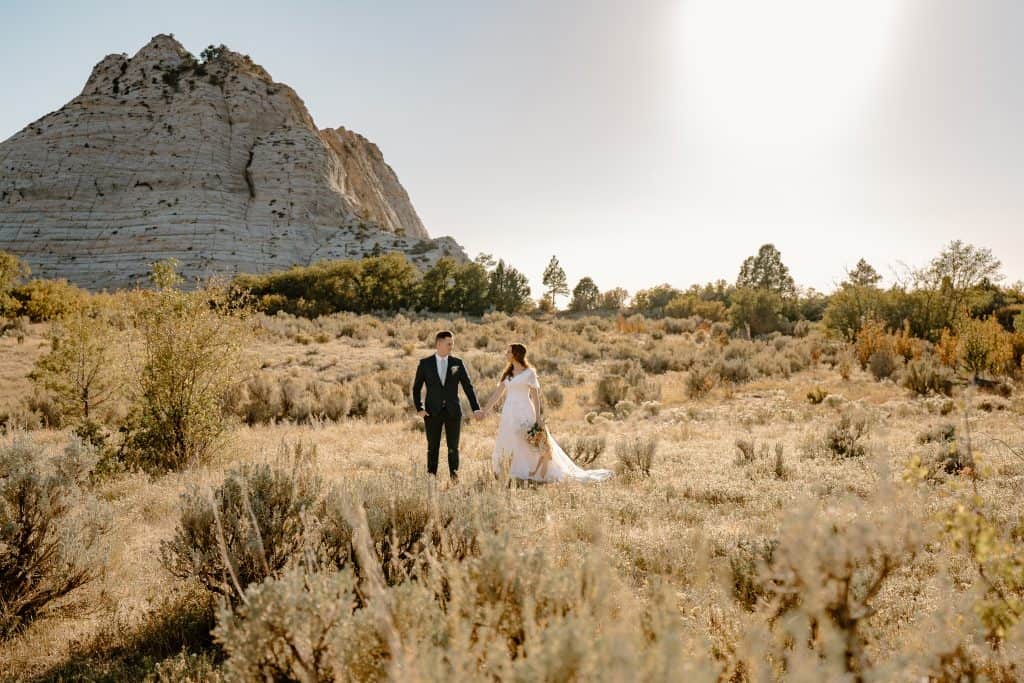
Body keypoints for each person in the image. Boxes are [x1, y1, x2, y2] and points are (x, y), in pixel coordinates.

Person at [482, 343, 613, 483]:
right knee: (510, 438)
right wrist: (484, 411)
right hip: (509, 412)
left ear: (516, 354)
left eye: (508, 352)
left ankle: (532, 472)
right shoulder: (507, 374)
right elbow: (497, 394)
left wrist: (538, 417)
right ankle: (511, 471)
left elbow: (535, 396)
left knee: (528, 440)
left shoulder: (529, 373)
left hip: (524, 410)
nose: (505, 354)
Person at [411, 330, 483, 480]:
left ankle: (454, 478)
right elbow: (416, 387)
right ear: (439, 344)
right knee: (432, 448)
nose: (451, 346)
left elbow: (468, 387)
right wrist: (420, 408)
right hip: (431, 412)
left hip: (453, 412)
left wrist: (475, 408)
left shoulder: (457, 363)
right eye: (448, 343)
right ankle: (431, 479)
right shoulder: (425, 363)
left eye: (452, 344)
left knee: (453, 448)